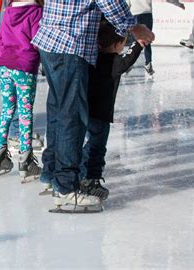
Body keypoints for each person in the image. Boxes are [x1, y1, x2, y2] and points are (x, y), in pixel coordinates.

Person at [32, 0, 154, 211]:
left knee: (57, 111)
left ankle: (51, 173)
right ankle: (66, 187)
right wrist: (136, 28)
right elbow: (109, 2)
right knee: (71, 115)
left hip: (50, 40)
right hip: (70, 43)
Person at [81, 19, 144, 202]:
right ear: (117, 45)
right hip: (101, 115)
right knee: (97, 148)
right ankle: (92, 179)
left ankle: (81, 174)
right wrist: (139, 44)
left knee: (88, 144)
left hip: (86, 111)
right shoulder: (114, 61)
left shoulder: (91, 58)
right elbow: (128, 59)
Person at [0, 0, 43, 182]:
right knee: (25, 111)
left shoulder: (9, 10)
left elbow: (0, 39)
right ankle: (26, 159)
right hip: (24, 66)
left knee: (7, 108)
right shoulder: (36, 12)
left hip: (5, 64)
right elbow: (38, 40)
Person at [127, 0, 154, 75]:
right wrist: (177, 3)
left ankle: (129, 63)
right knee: (147, 40)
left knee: (133, 41)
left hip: (135, 14)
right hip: (147, 14)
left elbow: (127, 4)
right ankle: (148, 63)